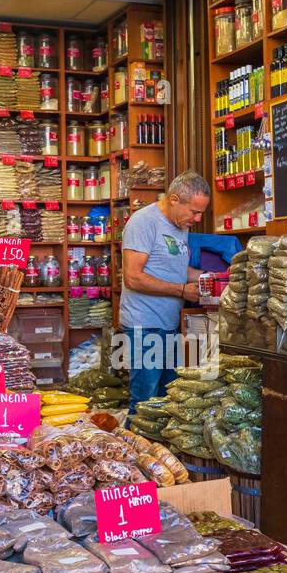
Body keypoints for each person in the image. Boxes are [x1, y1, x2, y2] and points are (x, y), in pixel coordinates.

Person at [118, 169, 210, 412]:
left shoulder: (181, 225)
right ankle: (135, 448)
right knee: (144, 402)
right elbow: (133, 278)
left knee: (167, 399)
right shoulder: (143, 222)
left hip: (169, 325)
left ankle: (158, 451)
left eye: (201, 213)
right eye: (194, 211)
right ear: (174, 200)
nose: (197, 219)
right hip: (143, 326)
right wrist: (181, 291)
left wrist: (212, 278)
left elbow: (177, 268)